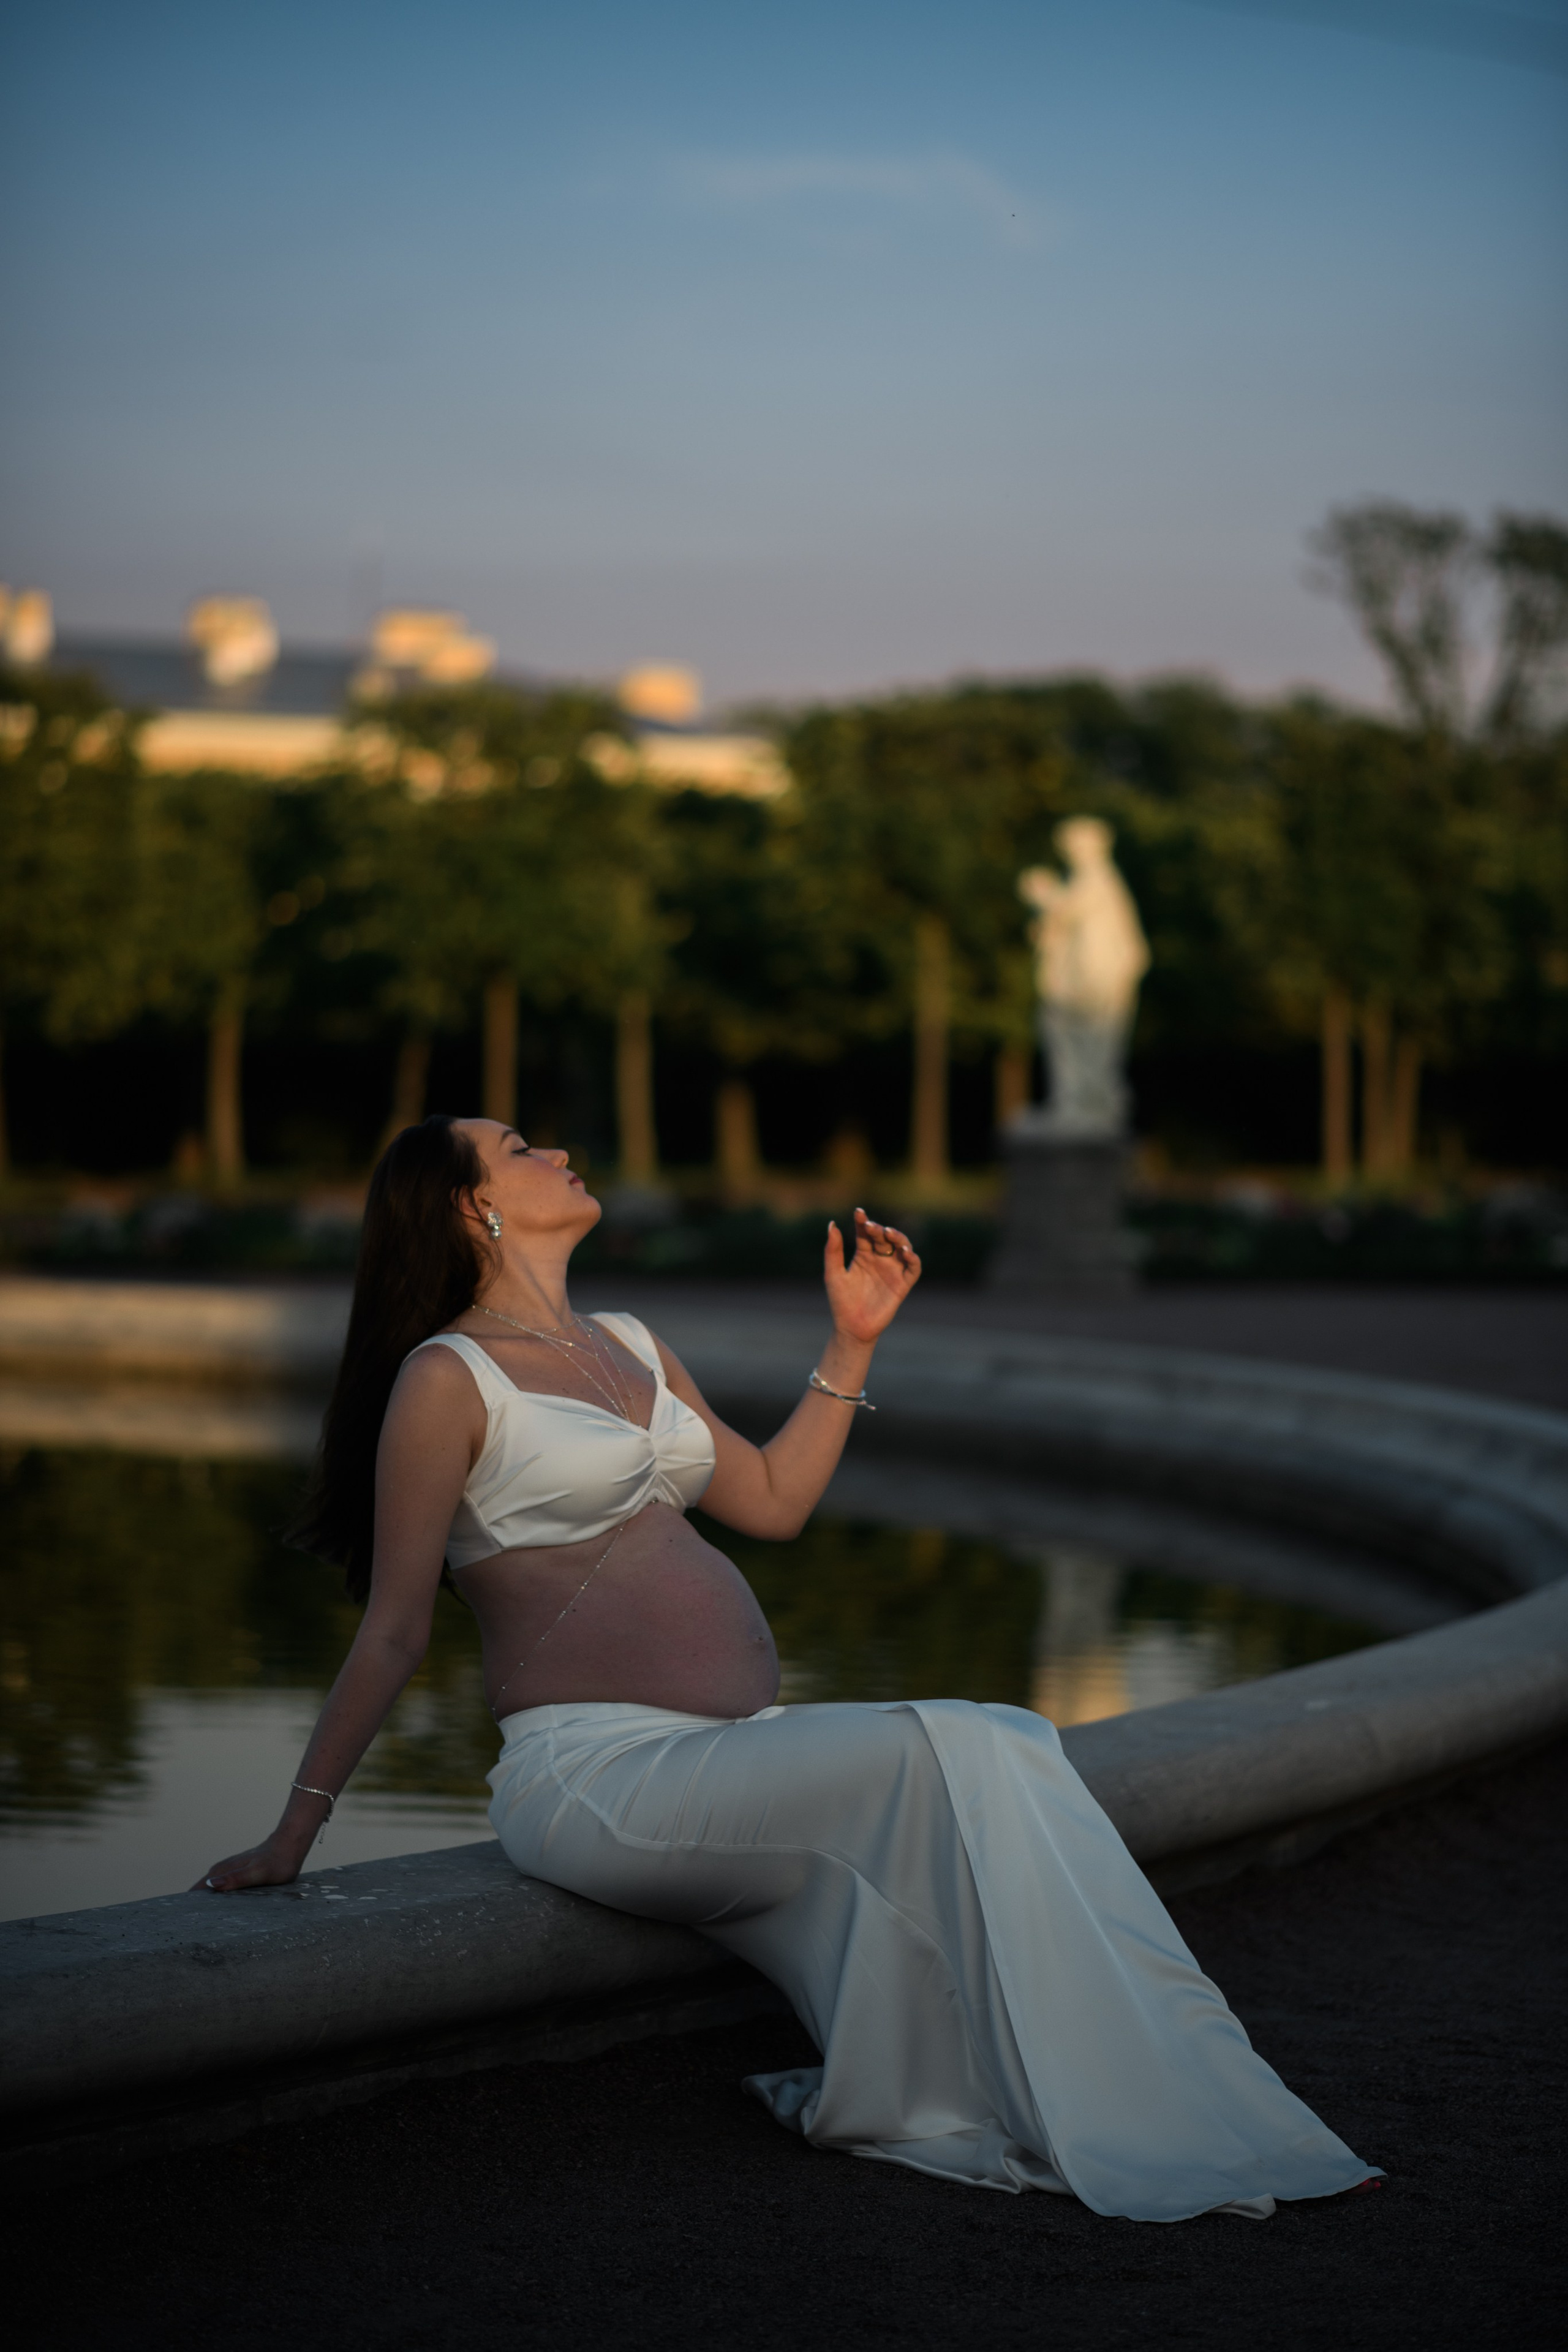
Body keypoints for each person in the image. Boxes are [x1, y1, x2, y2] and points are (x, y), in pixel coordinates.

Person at [198, 1115, 1379, 2223]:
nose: (555, 1149)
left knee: (1010, 1738)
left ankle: (1150, 2082)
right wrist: (293, 1837)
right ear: (470, 1209)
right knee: (964, 1739)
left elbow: (771, 1499)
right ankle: (1118, 2098)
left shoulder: (630, 1347)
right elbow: (398, 1628)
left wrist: (851, 1343)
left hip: (729, 1752)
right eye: (518, 1147)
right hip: (597, 1774)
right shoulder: (446, 1379)